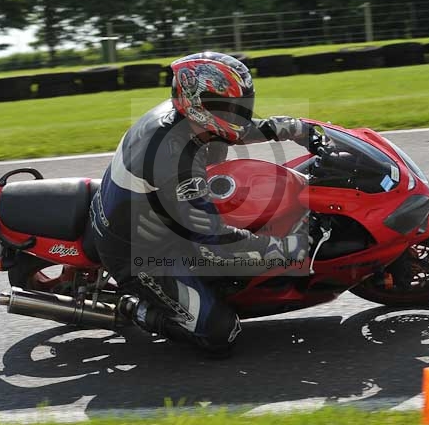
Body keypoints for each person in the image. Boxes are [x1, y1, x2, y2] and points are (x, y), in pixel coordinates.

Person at [90, 51, 313, 355]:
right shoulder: (175, 159)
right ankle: (132, 308)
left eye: (242, 105)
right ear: (198, 104)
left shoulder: (191, 120)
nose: (240, 114)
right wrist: (284, 250)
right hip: (140, 252)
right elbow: (213, 241)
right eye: (231, 107)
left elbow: (238, 128)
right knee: (220, 332)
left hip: (158, 217)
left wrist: (296, 128)